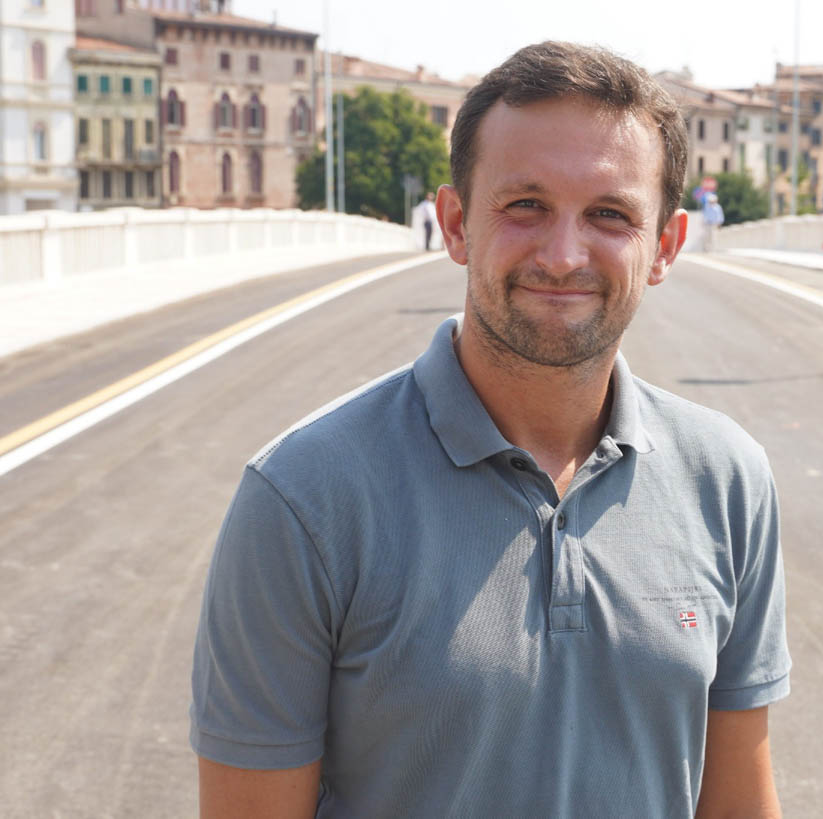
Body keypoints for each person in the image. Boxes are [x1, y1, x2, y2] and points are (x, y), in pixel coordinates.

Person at [190, 41, 791, 819]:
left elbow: (741, 803)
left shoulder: (729, 479)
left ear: (664, 248)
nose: (564, 253)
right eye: (525, 205)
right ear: (456, 224)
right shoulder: (304, 498)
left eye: (609, 214)